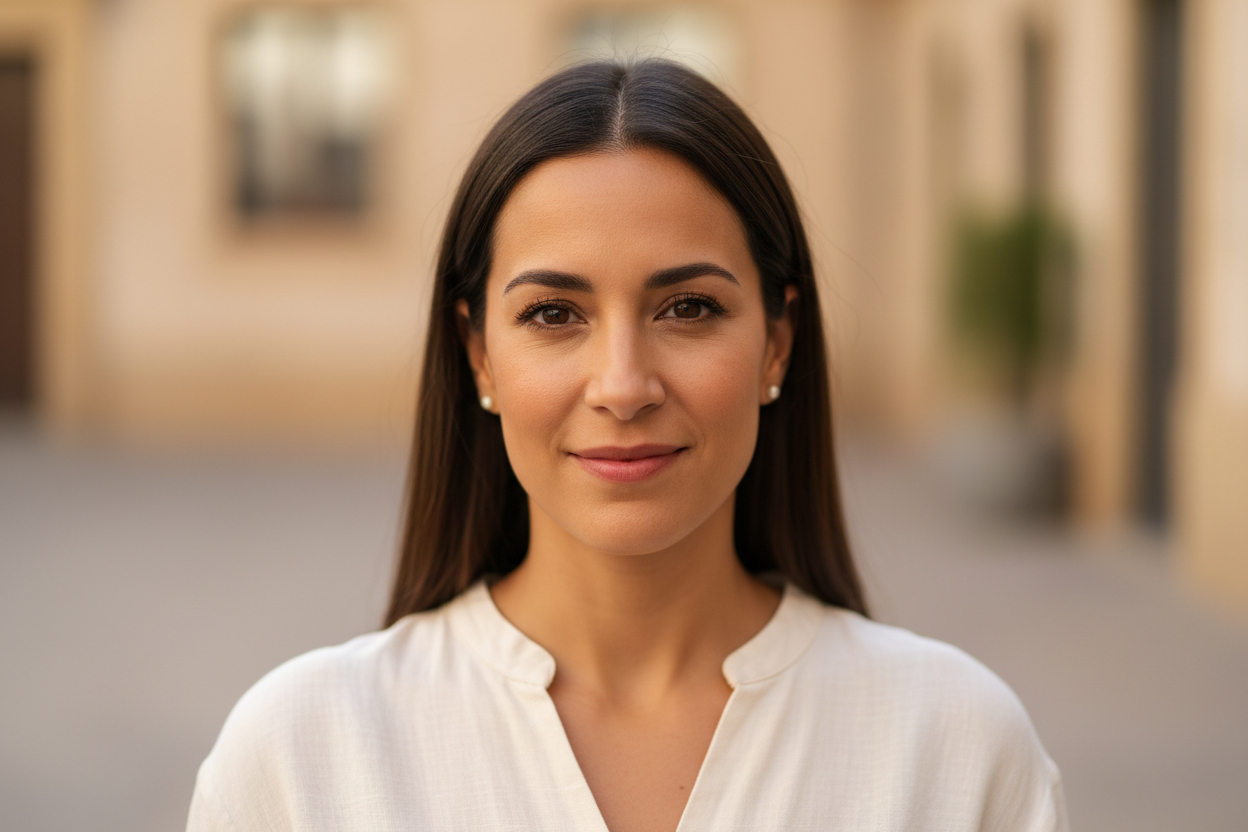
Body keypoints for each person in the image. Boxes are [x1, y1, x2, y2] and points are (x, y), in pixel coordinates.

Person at [187, 59, 1069, 832]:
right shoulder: (302, 760)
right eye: (553, 314)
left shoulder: (956, 750)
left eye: (688, 308)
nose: (622, 385)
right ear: (478, 354)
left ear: (777, 341)